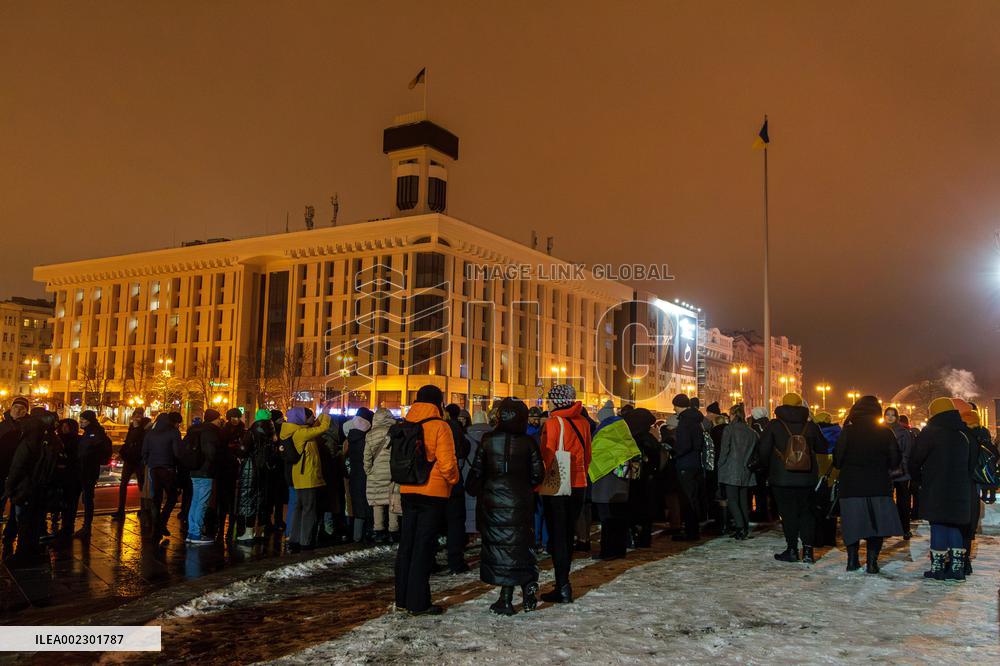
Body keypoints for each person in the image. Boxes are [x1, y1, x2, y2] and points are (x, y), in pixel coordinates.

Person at [467, 397, 545, 615]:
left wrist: (474, 487)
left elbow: (477, 471)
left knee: (502, 551)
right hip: (520, 502)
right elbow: (538, 474)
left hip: (493, 502)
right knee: (520, 548)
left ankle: (506, 599)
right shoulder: (528, 442)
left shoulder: (488, 440)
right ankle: (526, 582)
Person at [395, 385, 459, 616]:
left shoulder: (406, 423)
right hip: (433, 493)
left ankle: (401, 597)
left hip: (407, 488)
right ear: (438, 403)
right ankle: (418, 601)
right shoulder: (440, 426)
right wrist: (452, 481)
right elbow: (447, 463)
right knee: (424, 547)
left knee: (407, 544)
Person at [833, 396, 903, 573]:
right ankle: (872, 563)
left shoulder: (848, 431)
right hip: (878, 485)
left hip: (851, 485)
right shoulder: (885, 432)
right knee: (876, 524)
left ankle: (852, 561)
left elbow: (838, 460)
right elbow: (895, 460)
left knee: (852, 523)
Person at [909, 397, 976, 581]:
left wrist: (919, 479)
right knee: (955, 525)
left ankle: (938, 568)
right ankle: (956, 569)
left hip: (936, 487)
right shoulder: (963, 433)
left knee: (938, 525)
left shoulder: (930, 432)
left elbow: (915, 460)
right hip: (960, 488)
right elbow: (972, 464)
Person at [537, 384, 591, 604]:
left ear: (557, 401)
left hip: (558, 481)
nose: (548, 403)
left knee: (557, 534)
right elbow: (588, 453)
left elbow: (547, 455)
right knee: (568, 532)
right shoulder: (584, 423)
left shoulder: (553, 423)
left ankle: (562, 586)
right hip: (579, 482)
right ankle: (563, 583)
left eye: (550, 400)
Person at [758, 393, 824, 563]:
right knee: (807, 513)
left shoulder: (774, 425)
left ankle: (792, 550)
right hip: (807, 478)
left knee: (788, 514)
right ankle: (808, 552)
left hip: (782, 478)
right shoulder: (810, 426)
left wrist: (767, 468)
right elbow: (823, 447)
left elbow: (763, 450)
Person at [4, 410, 58, 565]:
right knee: (35, 520)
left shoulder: (29, 440)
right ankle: (33, 552)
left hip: (26, 486)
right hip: (40, 487)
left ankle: (23, 554)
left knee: (24, 521)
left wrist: (10, 486)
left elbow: (18, 466)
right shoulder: (49, 439)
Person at [589, 404, 637, 560]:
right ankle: (619, 549)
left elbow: (595, 454)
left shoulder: (604, 433)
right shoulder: (623, 429)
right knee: (619, 517)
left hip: (606, 483)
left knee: (607, 518)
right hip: (621, 482)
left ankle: (608, 551)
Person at [281, 407, 331, 552]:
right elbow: (322, 428)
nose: (313, 418)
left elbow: (315, 426)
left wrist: (322, 413)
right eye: (311, 416)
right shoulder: (301, 433)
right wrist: (326, 415)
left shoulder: (296, 431)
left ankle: (295, 539)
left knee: (299, 508)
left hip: (301, 476)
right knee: (309, 510)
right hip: (307, 477)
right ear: (303, 419)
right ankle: (305, 541)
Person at [717, 404, 758, 540]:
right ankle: (745, 527)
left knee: (732, 500)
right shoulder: (752, 432)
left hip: (731, 469)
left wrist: (719, 466)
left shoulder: (729, 430)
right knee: (742, 500)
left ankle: (740, 527)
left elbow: (724, 451)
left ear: (733, 415)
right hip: (746, 470)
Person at [235, 409, 275, 542]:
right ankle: (261, 531)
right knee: (263, 500)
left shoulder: (252, 432)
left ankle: (248, 531)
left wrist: (239, 453)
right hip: (266, 469)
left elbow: (243, 449)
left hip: (251, 468)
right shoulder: (272, 431)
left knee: (248, 500)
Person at [142, 412, 181, 544]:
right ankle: (162, 521)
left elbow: (144, 452)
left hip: (153, 468)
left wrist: (150, 462)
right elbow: (177, 452)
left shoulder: (150, 434)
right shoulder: (173, 432)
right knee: (172, 497)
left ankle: (156, 527)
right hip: (168, 468)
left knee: (156, 498)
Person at [671, 393, 705, 542]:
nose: (674, 410)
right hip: (695, 462)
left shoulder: (685, 422)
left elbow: (684, 445)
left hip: (685, 463)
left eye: (675, 406)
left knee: (687, 498)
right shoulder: (696, 420)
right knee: (694, 497)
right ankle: (694, 530)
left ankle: (691, 532)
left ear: (679, 406)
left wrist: (674, 452)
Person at [186, 409, 222, 545]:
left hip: (194, 469)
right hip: (205, 471)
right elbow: (211, 452)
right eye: (218, 418)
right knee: (202, 502)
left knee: (195, 501)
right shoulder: (211, 432)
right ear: (214, 419)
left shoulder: (195, 430)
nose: (220, 420)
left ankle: (191, 531)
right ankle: (196, 534)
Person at [73, 410, 111, 538]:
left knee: (88, 498)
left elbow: (95, 452)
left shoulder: (95, 434)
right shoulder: (90, 433)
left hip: (88, 469)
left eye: (83, 420)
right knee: (86, 498)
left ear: (89, 421)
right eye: (80, 419)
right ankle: (85, 526)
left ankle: (87, 526)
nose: (81, 422)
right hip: (84, 469)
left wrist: (89, 458)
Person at [363, 408, 399, 543]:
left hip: (376, 472)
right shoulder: (395, 432)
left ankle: (378, 531)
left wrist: (368, 470)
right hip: (392, 471)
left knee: (377, 502)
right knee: (392, 501)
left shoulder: (370, 434)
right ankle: (393, 532)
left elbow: (367, 456)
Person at [625, 408, 660, 548]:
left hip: (637, 479)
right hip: (648, 479)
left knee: (635, 507)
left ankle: (636, 535)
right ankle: (643, 536)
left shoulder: (635, 439)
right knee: (645, 510)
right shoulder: (649, 438)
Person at [443, 403, 471, 573]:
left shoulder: (440, 426)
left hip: (436, 481)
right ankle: (455, 560)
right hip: (453, 479)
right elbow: (462, 450)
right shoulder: (457, 429)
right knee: (455, 521)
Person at [1, 397, 31, 544]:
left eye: (22, 408)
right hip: (2, 471)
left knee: (16, 507)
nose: (18, 411)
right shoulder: (3, 426)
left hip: (20, 473)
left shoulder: (29, 428)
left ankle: (10, 534)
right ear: (11, 408)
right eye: (15, 407)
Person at [883, 406, 915, 540]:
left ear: (897, 417)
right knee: (887, 501)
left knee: (903, 501)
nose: (890, 417)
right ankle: (888, 527)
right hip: (886, 471)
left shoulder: (904, 432)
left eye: (893, 415)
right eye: (887, 415)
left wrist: (901, 464)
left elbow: (908, 451)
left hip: (901, 471)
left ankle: (905, 528)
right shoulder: (881, 431)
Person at [343, 408, 374, 543]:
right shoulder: (365, 440)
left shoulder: (351, 438)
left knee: (357, 506)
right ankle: (365, 535)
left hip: (355, 476)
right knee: (366, 506)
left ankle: (356, 536)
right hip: (365, 476)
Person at [112, 408, 149, 521]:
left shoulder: (144, 428)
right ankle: (121, 509)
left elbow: (134, 441)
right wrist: (122, 453)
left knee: (141, 486)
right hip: (130, 459)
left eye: (139, 414)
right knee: (124, 485)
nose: (137, 416)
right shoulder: (132, 427)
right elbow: (128, 442)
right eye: (135, 414)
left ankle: (143, 509)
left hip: (138, 460)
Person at [214, 408, 245, 541]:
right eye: (233, 417)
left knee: (235, 501)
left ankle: (232, 527)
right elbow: (220, 449)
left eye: (237, 417)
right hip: (224, 469)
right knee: (223, 500)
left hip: (237, 470)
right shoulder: (223, 431)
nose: (235, 420)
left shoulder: (243, 431)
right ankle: (220, 527)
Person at [812, 412, 841, 547]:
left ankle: (818, 539)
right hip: (834, 473)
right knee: (831, 508)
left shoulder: (816, 433)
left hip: (819, 474)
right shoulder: (838, 432)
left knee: (817, 508)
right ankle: (830, 539)